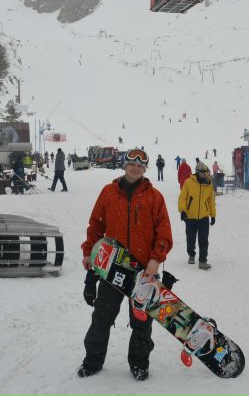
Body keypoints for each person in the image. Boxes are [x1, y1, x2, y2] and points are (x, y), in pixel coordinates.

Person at [78, 148, 173, 381]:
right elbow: (96, 226)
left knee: (141, 322)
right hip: (113, 268)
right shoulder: (109, 193)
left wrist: (155, 259)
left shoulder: (155, 197)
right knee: (102, 317)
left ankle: (139, 363)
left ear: (145, 169)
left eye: (140, 166)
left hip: (144, 271)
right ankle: (93, 361)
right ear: (125, 166)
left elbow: (163, 232)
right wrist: (89, 253)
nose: (136, 168)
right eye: (132, 164)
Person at [178, 161, 216, 270]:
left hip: (204, 217)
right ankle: (191, 254)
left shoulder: (209, 184)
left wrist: (213, 215)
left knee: (204, 240)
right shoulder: (188, 182)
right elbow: (182, 198)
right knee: (190, 239)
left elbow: (211, 201)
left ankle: (202, 261)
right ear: (198, 172)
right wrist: (183, 210)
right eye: (203, 172)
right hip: (190, 216)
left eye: (206, 172)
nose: (205, 174)